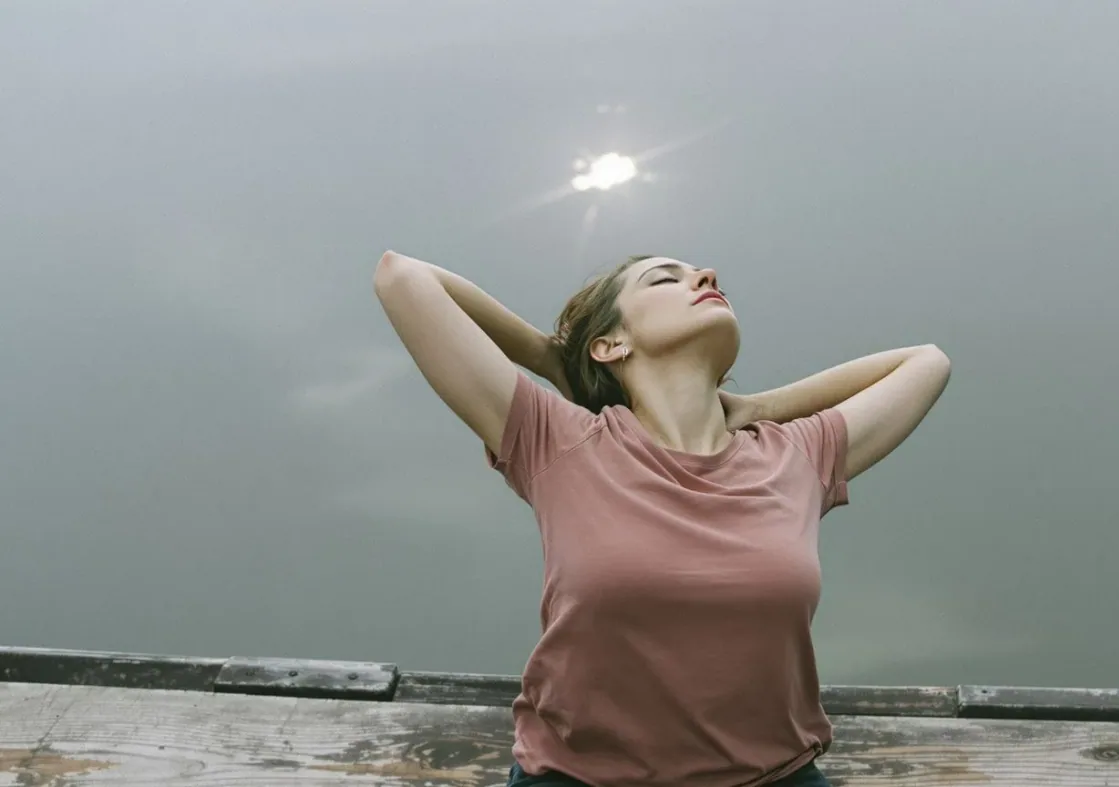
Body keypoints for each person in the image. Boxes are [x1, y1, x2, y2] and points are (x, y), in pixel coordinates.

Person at [373, 251, 951, 787]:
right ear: (611, 343)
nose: (706, 277)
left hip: (773, 776)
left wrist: (765, 407)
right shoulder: (560, 441)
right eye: (665, 278)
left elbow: (926, 363)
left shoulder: (796, 455)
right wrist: (554, 359)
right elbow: (402, 277)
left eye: (700, 273)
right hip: (579, 780)